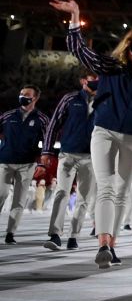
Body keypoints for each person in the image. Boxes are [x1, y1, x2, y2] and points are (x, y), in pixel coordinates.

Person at [50, 0, 132, 268]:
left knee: (122, 191)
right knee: (106, 188)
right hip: (104, 131)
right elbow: (79, 51)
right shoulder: (109, 66)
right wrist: (75, 16)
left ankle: (112, 244)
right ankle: (103, 243)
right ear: (128, 41)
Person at [41, 72, 98, 251]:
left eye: (99, 78)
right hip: (67, 154)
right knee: (61, 193)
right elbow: (54, 124)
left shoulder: (106, 100)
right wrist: (47, 151)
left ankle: (74, 235)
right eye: (92, 78)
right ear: (83, 81)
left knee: (83, 199)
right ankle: (55, 235)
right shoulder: (70, 99)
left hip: (91, 157)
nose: (97, 81)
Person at [0, 85, 49, 244]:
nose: (22, 96)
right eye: (21, 93)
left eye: (27, 94)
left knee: (19, 200)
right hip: (5, 161)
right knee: (1, 194)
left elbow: (47, 142)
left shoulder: (42, 119)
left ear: (35, 98)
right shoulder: (7, 116)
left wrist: (42, 163)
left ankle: (10, 233)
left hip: (27, 164)